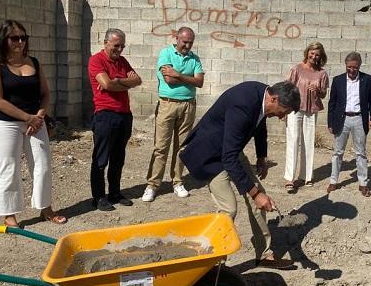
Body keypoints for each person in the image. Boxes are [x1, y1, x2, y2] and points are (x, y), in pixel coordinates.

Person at [179, 81, 300, 269]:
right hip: (211, 155)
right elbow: (228, 158)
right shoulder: (243, 105)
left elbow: (259, 125)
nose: (282, 117)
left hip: (230, 149)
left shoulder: (264, 95)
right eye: (284, 111)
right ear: (274, 99)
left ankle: (265, 254)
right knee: (229, 209)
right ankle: (214, 264)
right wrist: (255, 194)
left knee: (260, 195)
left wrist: (261, 157)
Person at [0, 20, 66, 227]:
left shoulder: (34, 62)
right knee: (8, 167)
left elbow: (45, 93)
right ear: (4, 40)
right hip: (5, 124)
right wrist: (28, 118)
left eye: (23, 37)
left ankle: (45, 208)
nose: (20, 42)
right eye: (14, 38)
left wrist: (39, 116)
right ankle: (9, 214)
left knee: (42, 164)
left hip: (35, 122)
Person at [142, 27, 204, 202]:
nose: (187, 45)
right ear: (177, 38)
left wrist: (178, 74)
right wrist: (187, 77)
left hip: (188, 106)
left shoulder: (195, 58)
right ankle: (152, 185)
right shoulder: (166, 54)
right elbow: (168, 79)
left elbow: (199, 82)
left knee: (182, 147)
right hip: (167, 104)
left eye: (190, 42)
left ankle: (177, 181)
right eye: (184, 42)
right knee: (161, 146)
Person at [88, 28, 142, 211]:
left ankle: (115, 193)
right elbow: (106, 84)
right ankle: (98, 197)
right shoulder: (96, 60)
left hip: (124, 115)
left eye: (122, 46)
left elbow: (137, 80)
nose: (119, 49)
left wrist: (116, 82)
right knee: (101, 159)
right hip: (105, 115)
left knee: (118, 158)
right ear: (105, 43)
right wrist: (122, 82)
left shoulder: (122, 61)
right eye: (116, 45)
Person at [327, 52, 371, 197]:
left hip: (359, 119)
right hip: (342, 119)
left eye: (355, 67)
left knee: (361, 152)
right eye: (349, 67)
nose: (352, 70)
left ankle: (363, 183)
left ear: (359, 66)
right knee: (337, 152)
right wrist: (330, 122)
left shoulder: (367, 80)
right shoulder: (338, 80)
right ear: (346, 66)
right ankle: (333, 180)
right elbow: (332, 103)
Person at [283, 42, 329, 193]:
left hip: (311, 110)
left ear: (320, 56)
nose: (314, 56)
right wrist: (284, 110)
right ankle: (290, 178)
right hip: (294, 110)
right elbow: (287, 89)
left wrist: (317, 90)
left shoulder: (322, 73)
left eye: (317, 54)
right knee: (293, 140)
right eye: (312, 53)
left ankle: (306, 176)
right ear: (307, 52)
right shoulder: (297, 69)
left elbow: (323, 94)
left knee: (308, 142)